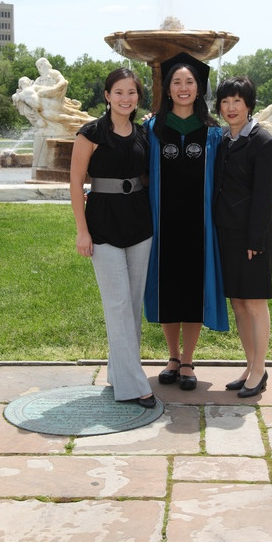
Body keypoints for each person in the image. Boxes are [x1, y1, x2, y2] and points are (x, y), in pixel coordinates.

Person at [70, 68, 156, 409]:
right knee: (117, 305)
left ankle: (118, 375)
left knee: (131, 306)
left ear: (138, 97)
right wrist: (82, 230)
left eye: (131, 92)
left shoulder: (143, 134)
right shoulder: (90, 133)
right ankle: (136, 385)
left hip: (140, 226)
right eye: (119, 92)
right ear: (107, 95)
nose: (125, 98)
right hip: (103, 226)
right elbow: (75, 183)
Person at [144, 52, 228, 391]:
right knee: (168, 290)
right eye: (176, 82)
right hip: (162, 223)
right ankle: (172, 357)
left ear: (199, 88)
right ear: (167, 89)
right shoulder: (152, 128)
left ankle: (189, 360)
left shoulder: (212, 133)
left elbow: (230, 176)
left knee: (193, 289)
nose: (183, 88)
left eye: (189, 82)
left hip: (200, 224)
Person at [213, 75, 272, 398]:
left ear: (249, 104)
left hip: (252, 237)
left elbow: (264, 196)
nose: (231, 107)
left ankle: (260, 369)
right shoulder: (224, 140)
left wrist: (256, 240)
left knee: (254, 302)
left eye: (237, 101)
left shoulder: (263, 142)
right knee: (238, 302)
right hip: (226, 232)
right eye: (225, 101)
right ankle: (251, 365)